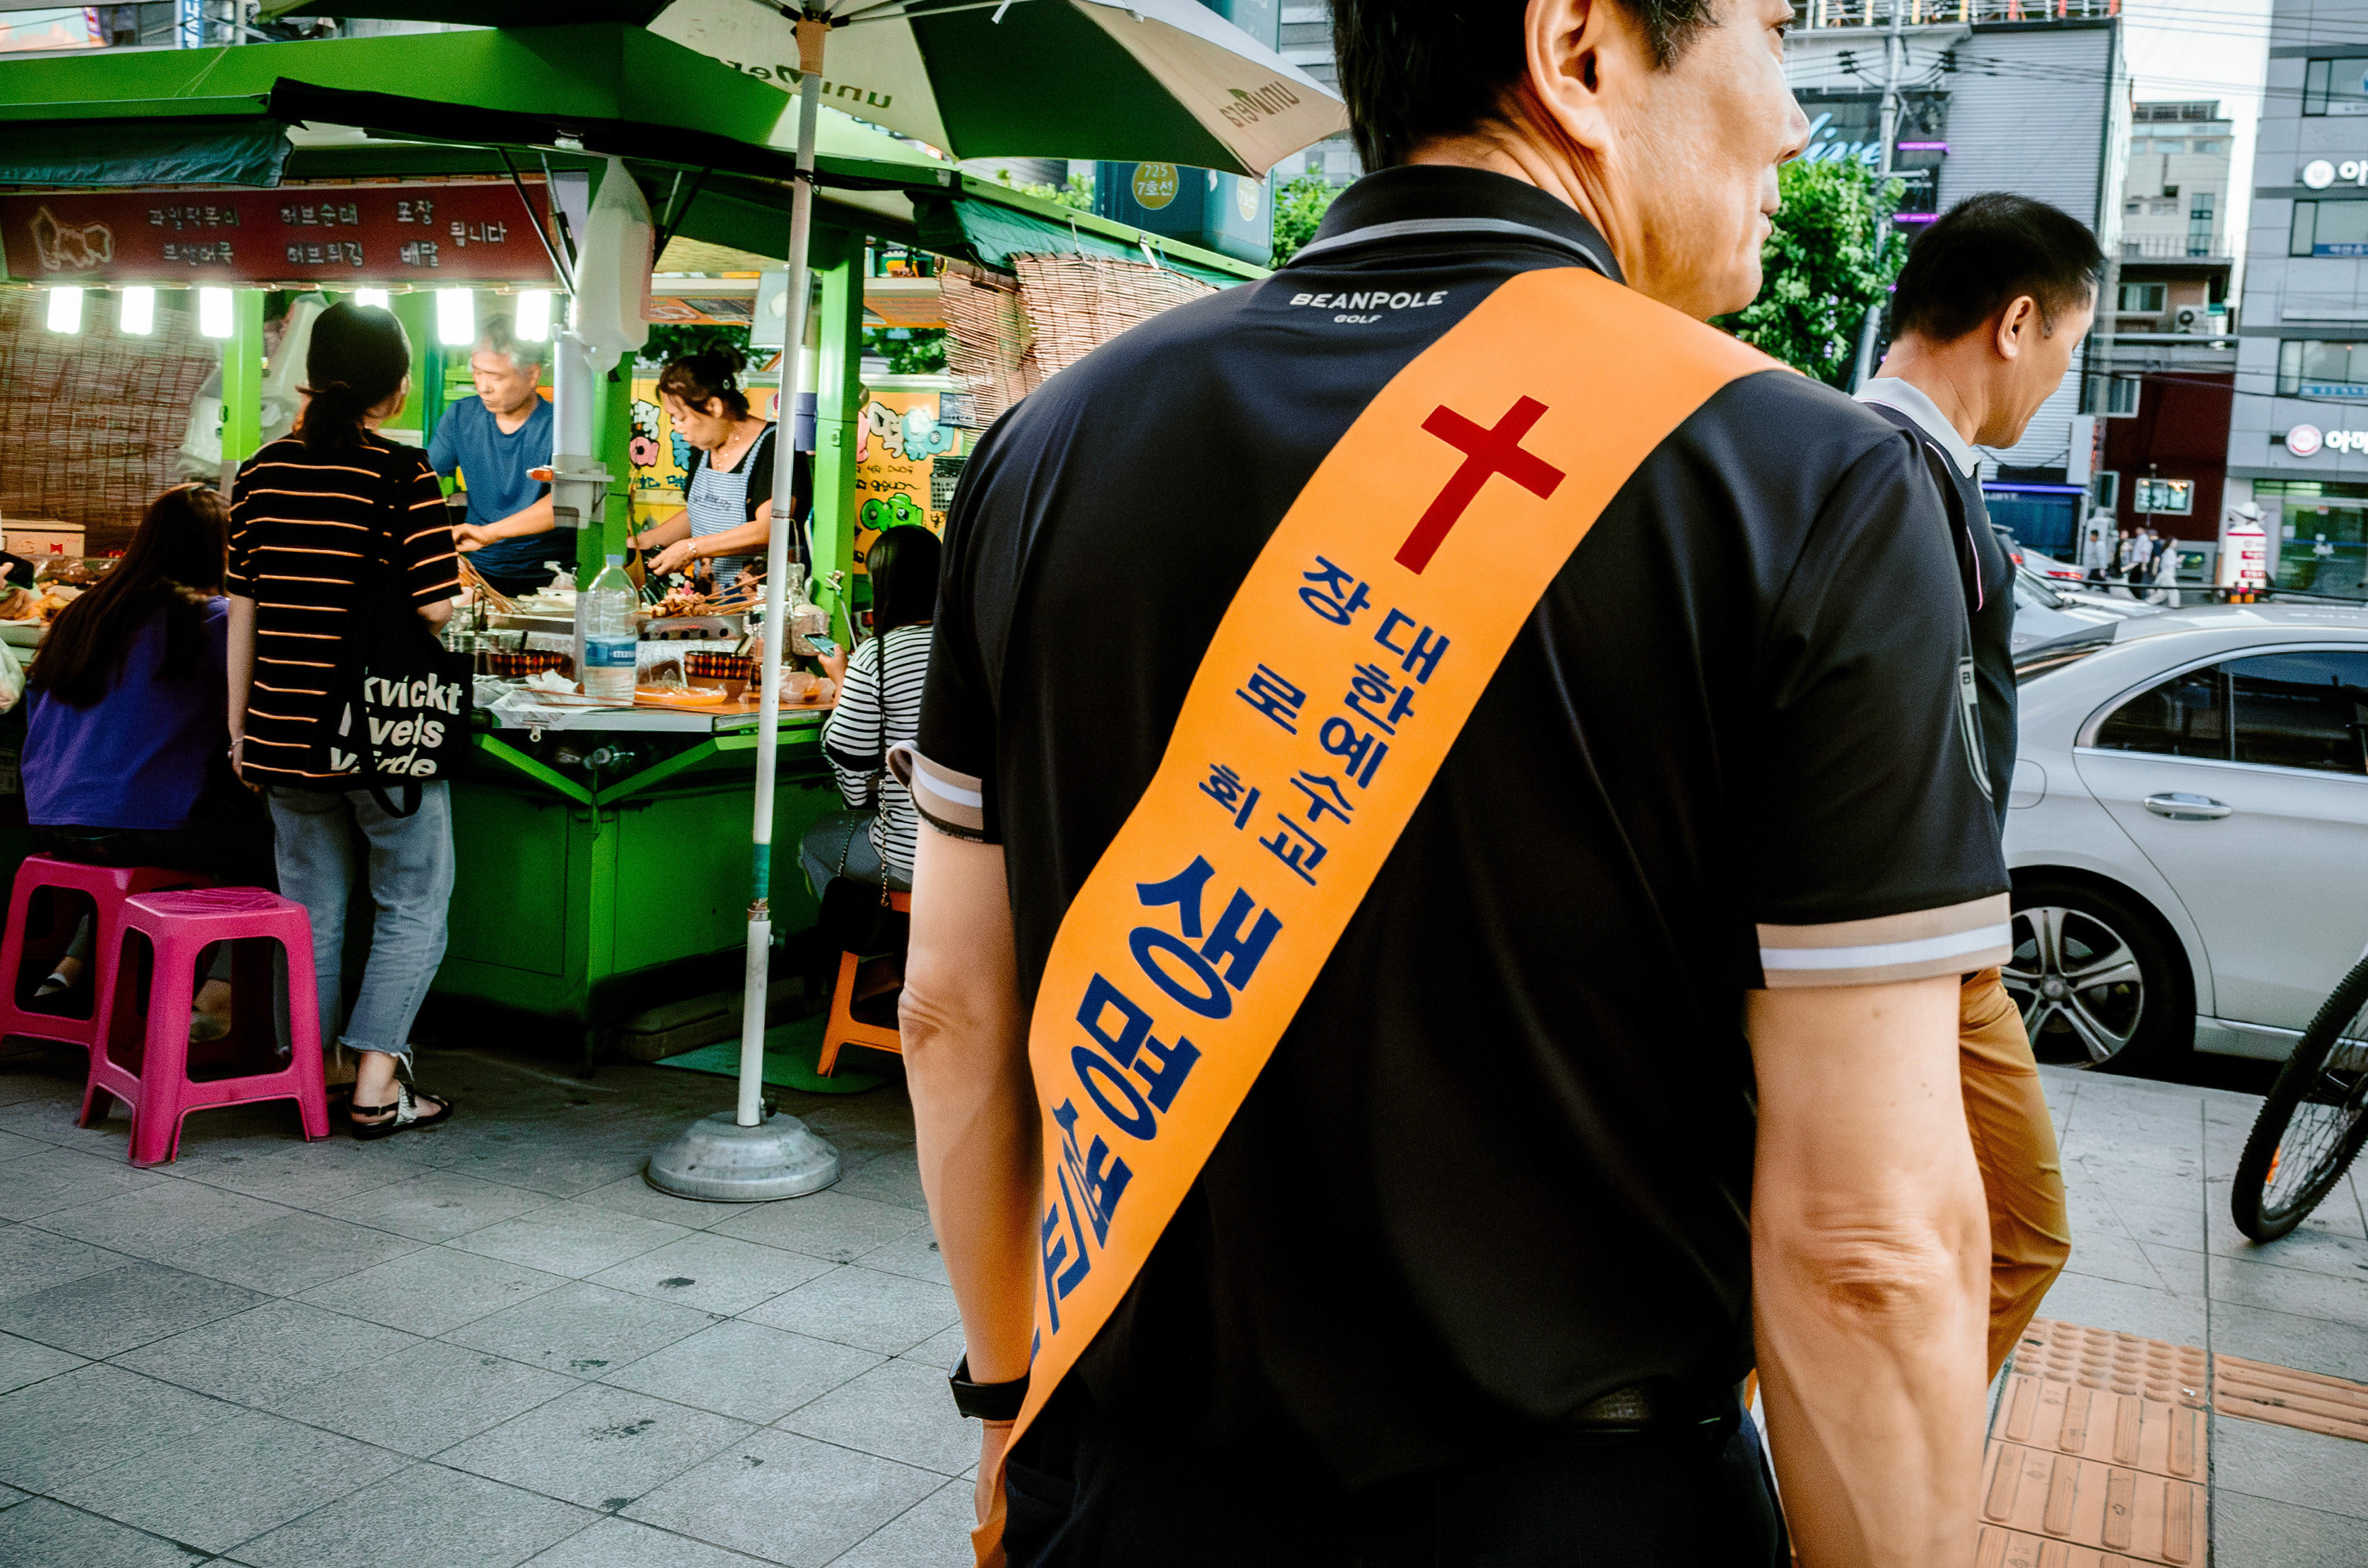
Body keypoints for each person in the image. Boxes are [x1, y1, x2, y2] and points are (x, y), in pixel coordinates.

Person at [894, 0, 2005, 1561]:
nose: (1791, 120)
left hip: (1130, 1490)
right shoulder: (1808, 482)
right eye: (1766, 31)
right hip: (1583, 1520)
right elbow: (1867, 1245)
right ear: (1579, 51)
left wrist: (1009, 1396)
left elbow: (951, 1013)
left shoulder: (1043, 445)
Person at [1856, 190, 2095, 1382]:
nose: (2063, 378)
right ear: (2015, 324)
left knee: (1960, 1233)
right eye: (2069, 344)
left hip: (1924, 933)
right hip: (1904, 940)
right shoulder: (1882, 473)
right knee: (2016, 1229)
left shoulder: (1914, 472)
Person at [228, 302, 459, 1139]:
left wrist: (239, 733)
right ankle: (375, 1085)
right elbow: (435, 606)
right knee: (414, 900)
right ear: (394, 390)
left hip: (280, 730)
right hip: (380, 732)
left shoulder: (258, 473)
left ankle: (311, 1079)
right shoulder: (404, 473)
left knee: (310, 912)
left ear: (312, 375)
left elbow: (243, 615)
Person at [22, 483, 275, 1039]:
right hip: (139, 827)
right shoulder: (215, 622)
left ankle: (71, 967)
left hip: (50, 819)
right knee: (288, 847)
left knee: (150, 839)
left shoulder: (82, 614)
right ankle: (217, 999)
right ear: (221, 552)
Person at [802, 524, 942, 900]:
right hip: (989, 854)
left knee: (815, 841)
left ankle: (869, 938)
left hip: (909, 857)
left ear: (884, 586)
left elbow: (849, 755)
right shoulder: (979, 648)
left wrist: (842, 678)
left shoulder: (878, 655)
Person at [628, 345, 812, 590]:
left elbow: (769, 530)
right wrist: (646, 541)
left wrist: (692, 548)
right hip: (709, 596)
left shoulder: (776, 446)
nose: (676, 427)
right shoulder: (704, 446)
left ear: (714, 407)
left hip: (763, 598)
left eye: (681, 418)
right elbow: (701, 513)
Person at [431, 314, 562, 598]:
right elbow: (425, 481)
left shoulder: (560, 428)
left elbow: (565, 501)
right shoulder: (461, 417)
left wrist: (489, 533)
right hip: (478, 572)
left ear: (532, 375)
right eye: (478, 372)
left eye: (496, 376)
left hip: (550, 578)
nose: (483, 386)